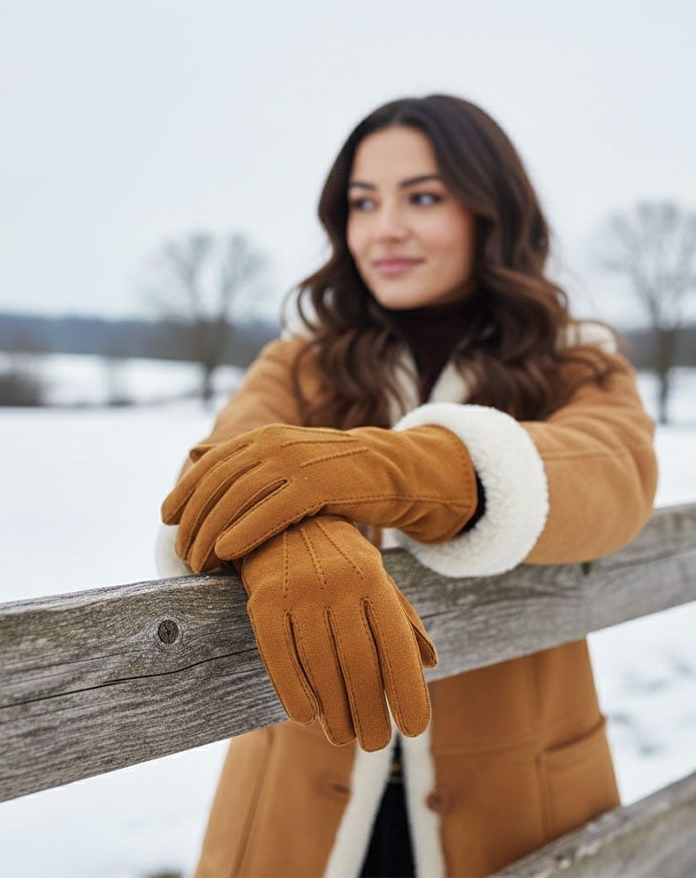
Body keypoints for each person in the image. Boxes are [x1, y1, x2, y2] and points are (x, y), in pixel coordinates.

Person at [154, 94, 659, 878]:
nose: (383, 228)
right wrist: (302, 541)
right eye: (362, 202)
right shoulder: (301, 363)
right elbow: (210, 484)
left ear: (493, 212)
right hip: (298, 802)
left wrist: (400, 472)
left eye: (422, 197)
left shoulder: (573, 361)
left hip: (514, 799)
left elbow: (615, 476)